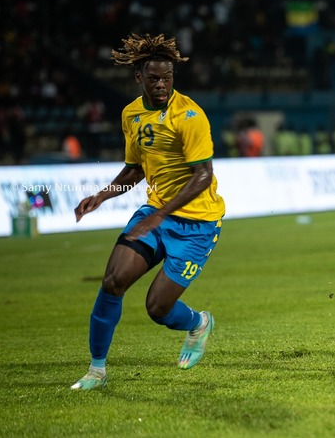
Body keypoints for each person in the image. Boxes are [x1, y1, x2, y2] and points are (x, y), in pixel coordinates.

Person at [70, 34, 226, 389]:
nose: (161, 85)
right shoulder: (131, 114)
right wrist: (102, 196)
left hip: (198, 224)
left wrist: (160, 213)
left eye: (166, 79)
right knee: (113, 281)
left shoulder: (189, 115)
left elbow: (203, 175)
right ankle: (96, 371)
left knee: (157, 309)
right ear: (138, 76)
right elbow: (135, 169)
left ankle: (199, 323)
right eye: (153, 78)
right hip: (156, 213)